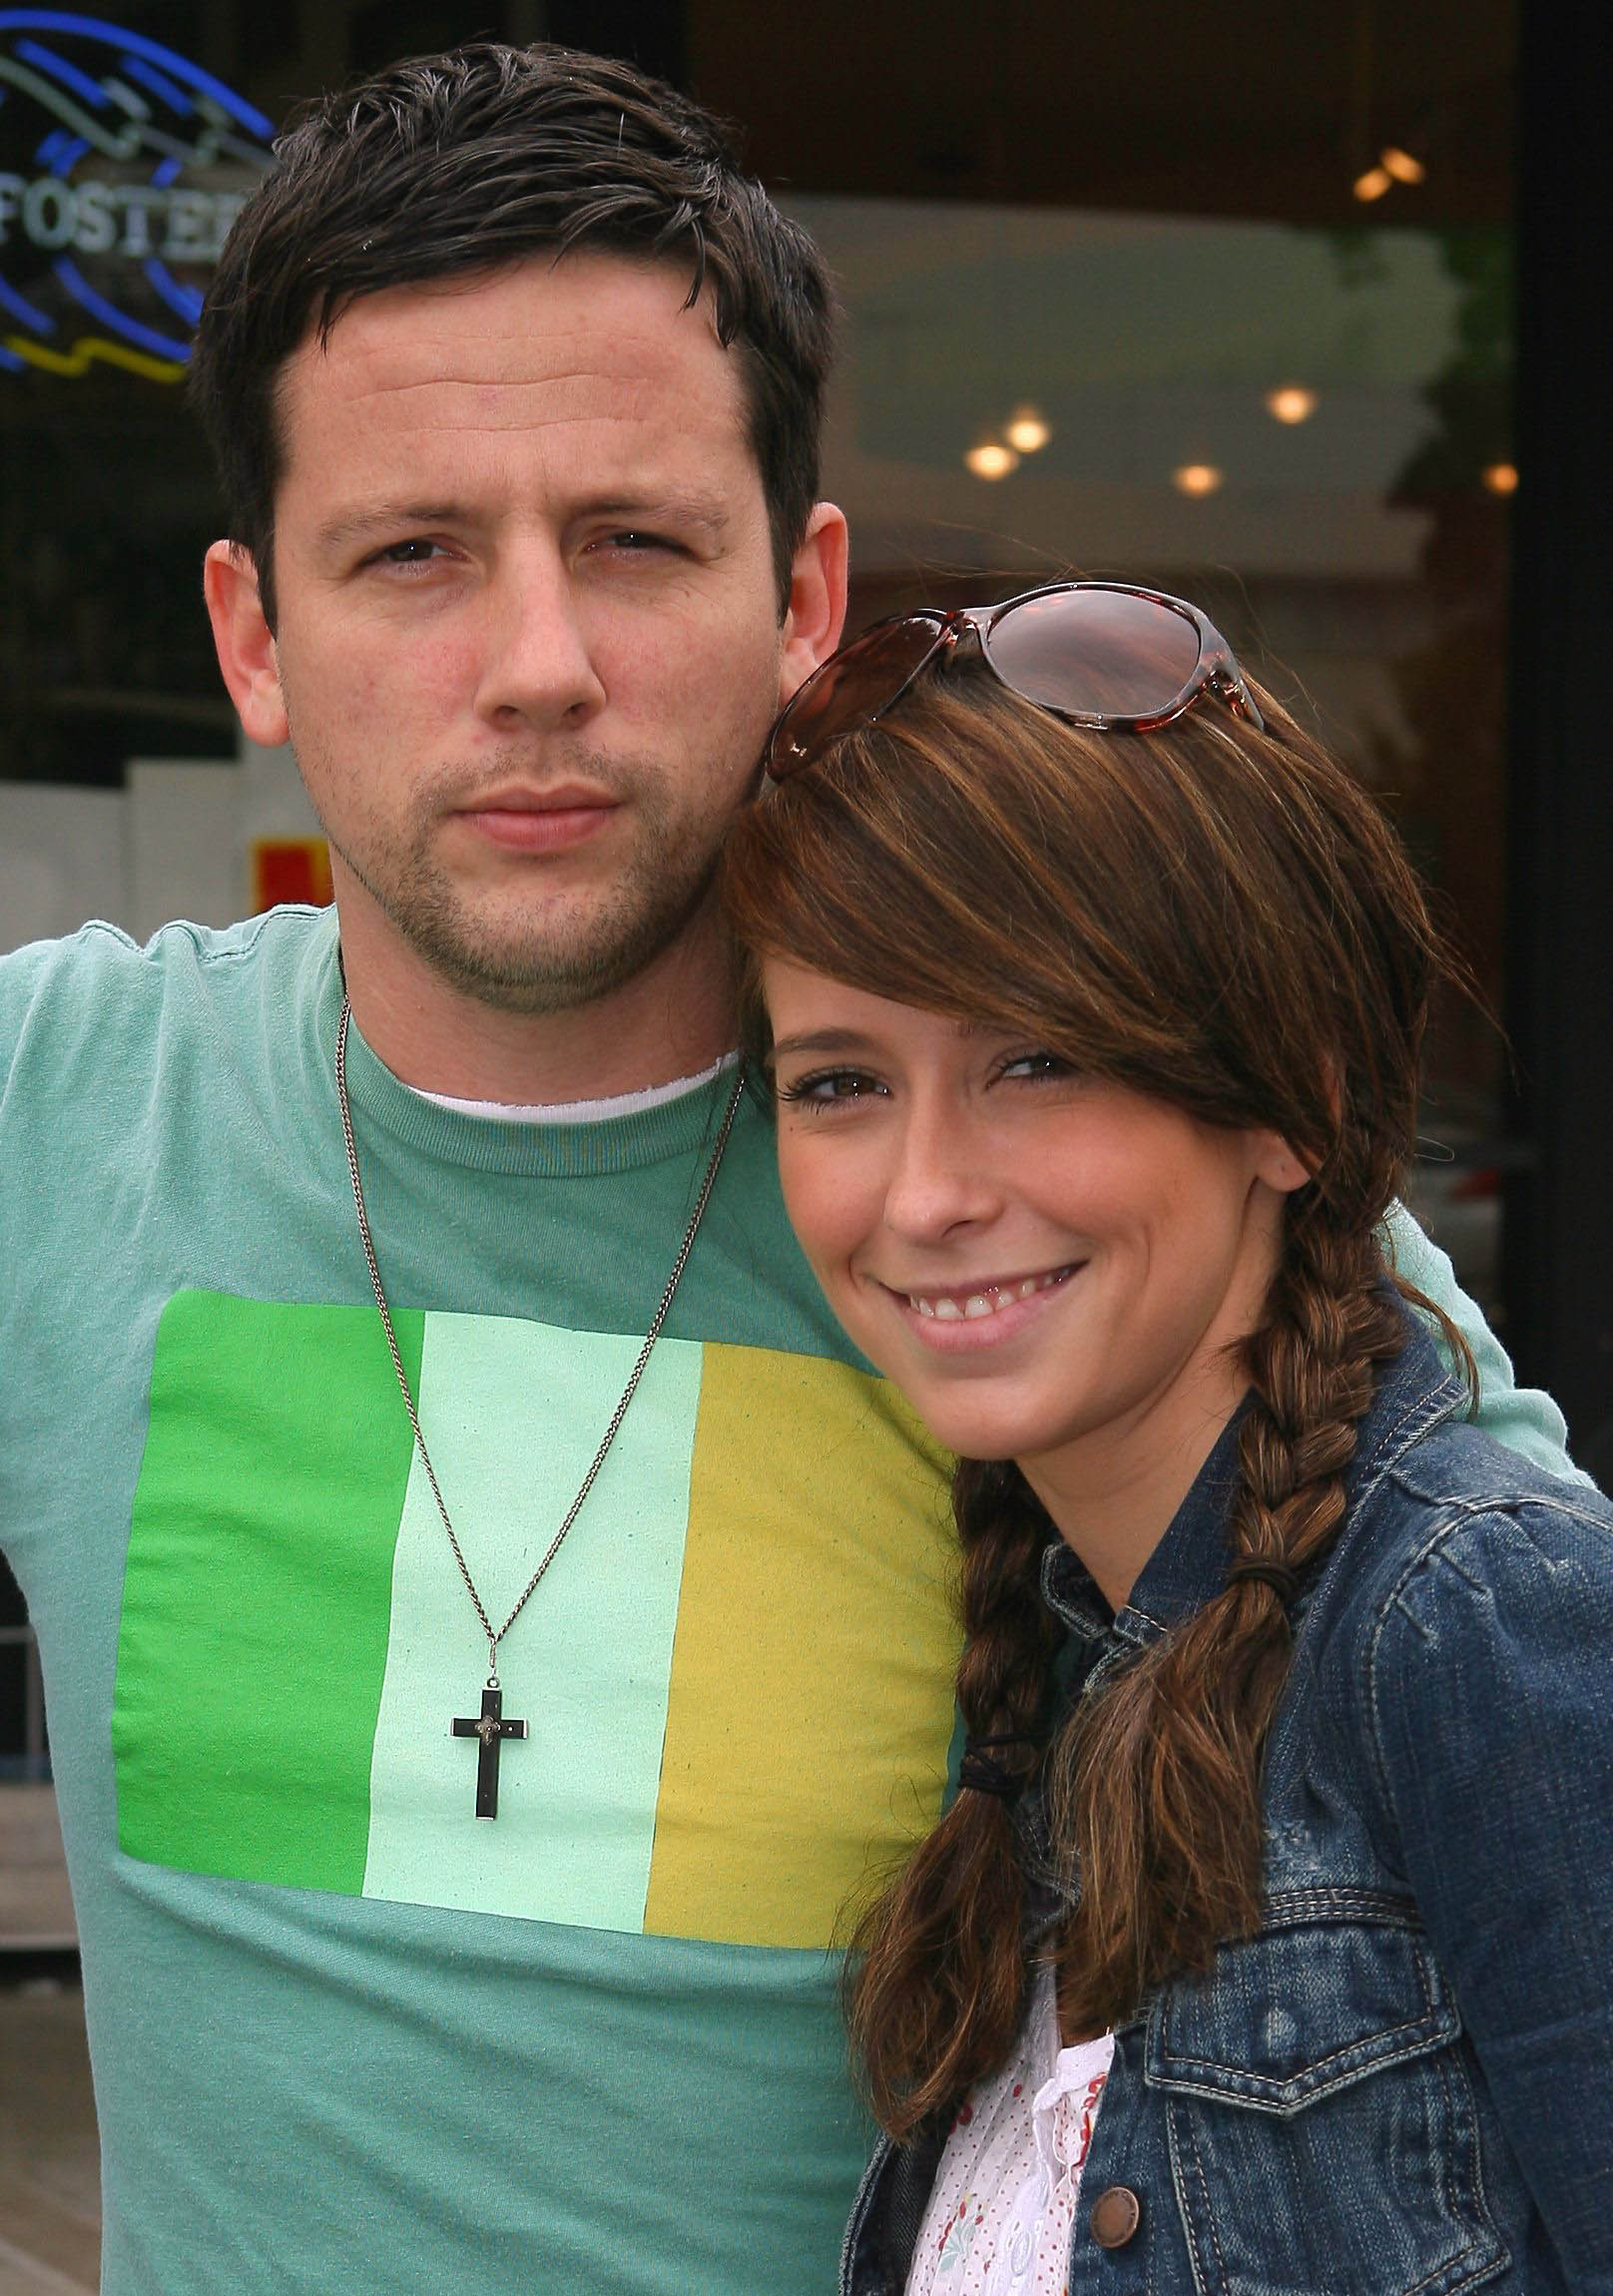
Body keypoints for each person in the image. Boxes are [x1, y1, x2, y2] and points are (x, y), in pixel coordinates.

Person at [0, 48, 1578, 2296]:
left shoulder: (1063, 1193)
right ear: (254, 633)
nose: (537, 666)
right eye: (413, 554)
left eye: (634, 542)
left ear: (803, 594)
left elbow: (1510, 1686)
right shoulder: (59, 1112)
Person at [719, 582, 1613, 2295]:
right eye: (841, 1082)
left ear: (1299, 1102)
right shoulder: (1061, 1676)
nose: (925, 1193)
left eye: (1037, 1061)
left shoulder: (1482, 1623)